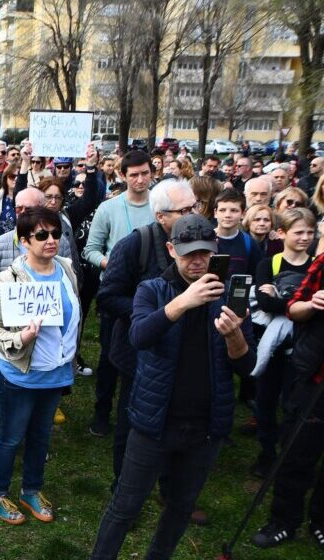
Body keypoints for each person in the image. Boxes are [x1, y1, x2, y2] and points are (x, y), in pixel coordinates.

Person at [91, 214, 254, 560]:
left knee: (180, 507)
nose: (197, 261)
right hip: (154, 423)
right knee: (125, 507)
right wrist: (183, 302)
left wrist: (234, 335)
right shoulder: (152, 289)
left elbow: (246, 366)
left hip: (205, 428)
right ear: (171, 250)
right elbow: (139, 336)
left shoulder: (227, 295)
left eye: (205, 253)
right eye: (188, 253)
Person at [0, 207, 79, 525]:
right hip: (21, 374)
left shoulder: (65, 268)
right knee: (11, 436)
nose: (51, 240)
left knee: (41, 436)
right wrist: (18, 339)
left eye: (55, 234)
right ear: (24, 241)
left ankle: (31, 489)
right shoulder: (6, 280)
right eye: (41, 235)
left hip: (57, 371)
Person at [83, 150, 157, 438]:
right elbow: (90, 250)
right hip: (117, 294)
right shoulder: (109, 208)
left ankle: (138, 411)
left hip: (153, 294)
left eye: (145, 173)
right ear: (123, 176)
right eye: (133, 174)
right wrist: (113, 264)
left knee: (149, 353)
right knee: (110, 356)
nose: (140, 179)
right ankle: (102, 413)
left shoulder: (161, 205)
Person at [248, 208, 315, 480]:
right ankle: (266, 452)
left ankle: (288, 454)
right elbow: (264, 303)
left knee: (293, 402)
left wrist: (281, 300)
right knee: (265, 399)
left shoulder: (315, 265)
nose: (305, 238)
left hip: (302, 345)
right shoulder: (270, 263)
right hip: (272, 345)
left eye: (310, 233)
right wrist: (300, 305)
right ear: (283, 233)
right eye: (299, 232)